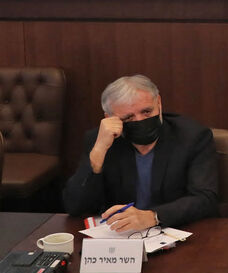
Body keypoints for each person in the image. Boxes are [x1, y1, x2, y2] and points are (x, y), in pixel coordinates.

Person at [63, 75, 218, 232]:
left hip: (176, 231)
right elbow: (75, 207)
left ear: (159, 103)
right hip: (120, 236)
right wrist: (97, 154)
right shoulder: (101, 140)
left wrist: (153, 216)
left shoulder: (192, 137)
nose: (140, 120)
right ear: (110, 119)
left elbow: (205, 199)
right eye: (129, 117)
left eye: (146, 112)